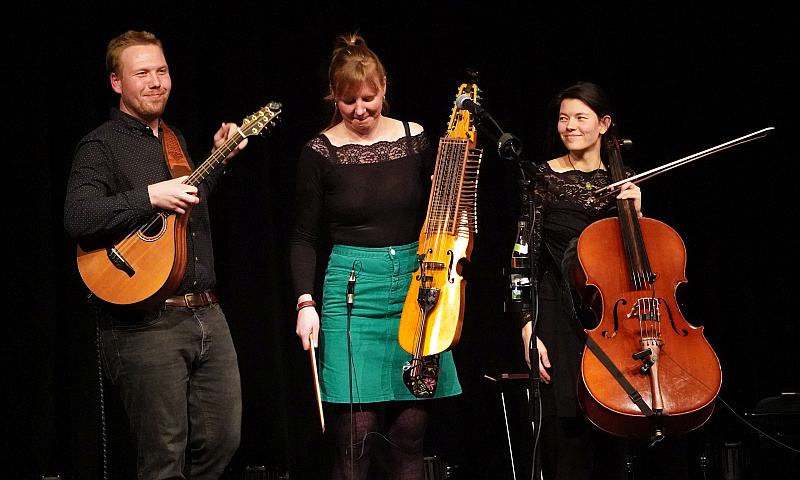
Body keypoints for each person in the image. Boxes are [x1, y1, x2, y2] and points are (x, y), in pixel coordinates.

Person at [64, 30, 246, 480]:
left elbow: (184, 209)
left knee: (224, 440)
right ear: (116, 83)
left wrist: (220, 157)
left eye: (161, 71)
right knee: (164, 457)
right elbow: (79, 215)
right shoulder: (100, 145)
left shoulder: (174, 138)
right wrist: (149, 196)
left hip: (206, 311)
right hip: (145, 322)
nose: (155, 81)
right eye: (141, 73)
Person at [291, 34, 461, 480]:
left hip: (417, 286)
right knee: (356, 438)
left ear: (384, 86)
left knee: (409, 435)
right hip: (351, 292)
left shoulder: (416, 140)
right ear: (335, 97)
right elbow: (304, 236)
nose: (360, 109)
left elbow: (446, 214)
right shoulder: (319, 152)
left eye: (369, 97)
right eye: (348, 101)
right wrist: (305, 303)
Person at [519, 81, 643, 479]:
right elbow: (524, 258)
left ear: (604, 124)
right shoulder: (543, 178)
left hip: (614, 321)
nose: (569, 126)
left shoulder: (624, 182)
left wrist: (636, 215)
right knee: (568, 444)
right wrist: (527, 327)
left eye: (580, 118)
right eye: (563, 118)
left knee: (615, 444)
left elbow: (638, 263)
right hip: (558, 317)